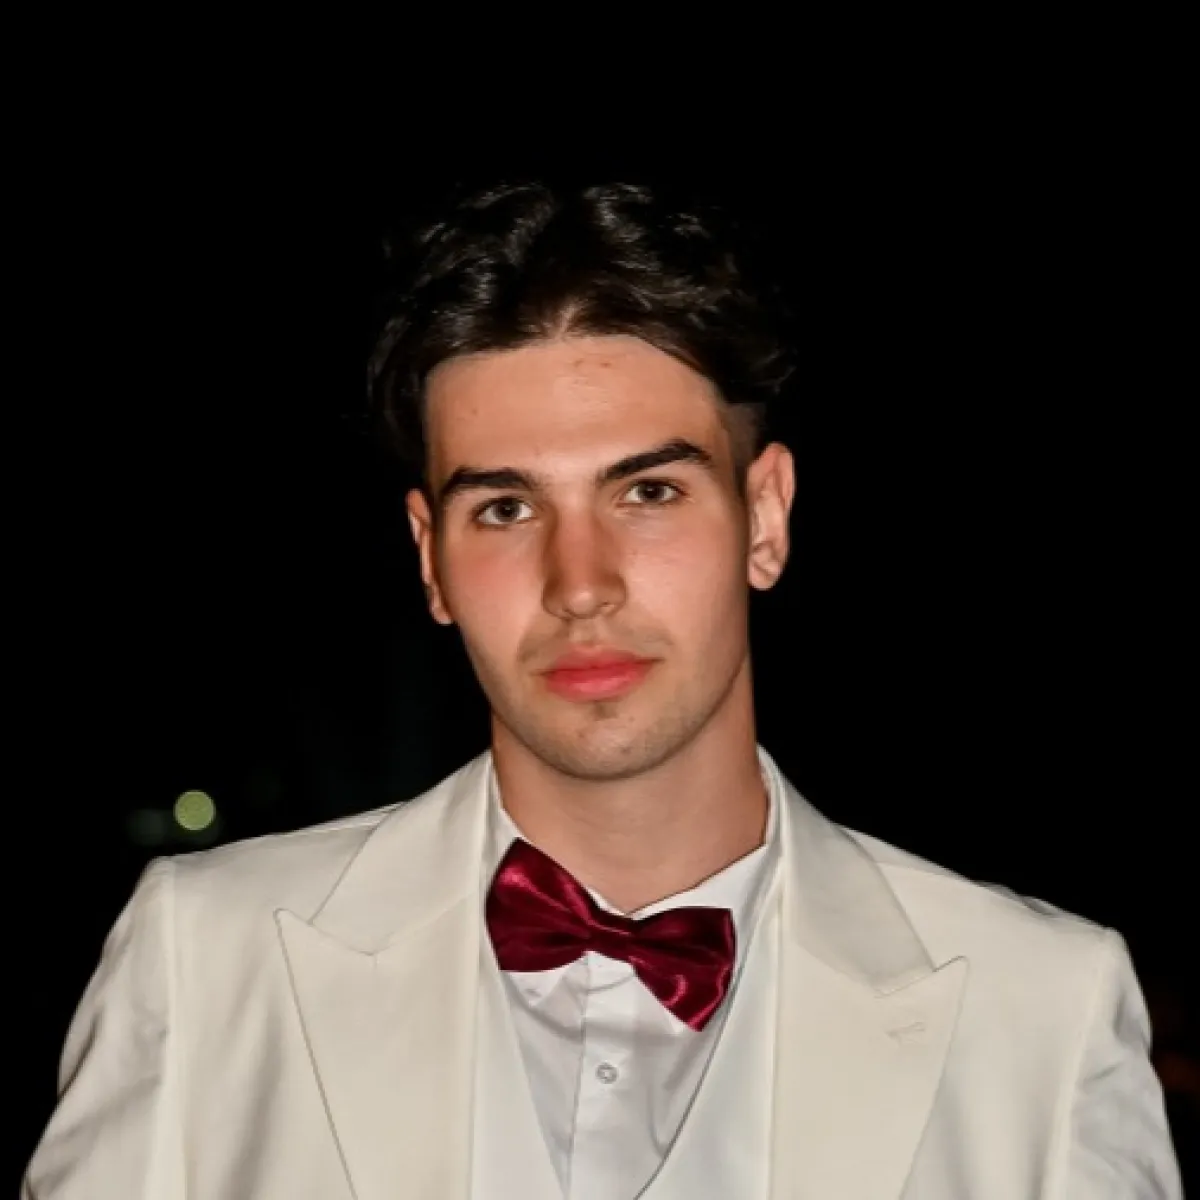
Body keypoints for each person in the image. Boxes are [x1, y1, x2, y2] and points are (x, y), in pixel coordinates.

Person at [24, 181, 1183, 1200]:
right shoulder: (207, 960)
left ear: (764, 517)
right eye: (506, 508)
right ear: (430, 558)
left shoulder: (1042, 1011)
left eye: (648, 493)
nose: (579, 584)